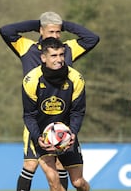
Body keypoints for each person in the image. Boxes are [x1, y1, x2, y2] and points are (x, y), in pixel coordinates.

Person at [0, 11, 99, 191]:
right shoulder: (28, 48)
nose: (55, 35)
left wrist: (63, 24)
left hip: (63, 120)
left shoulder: (67, 49)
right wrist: (38, 23)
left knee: (67, 172)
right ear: (41, 31)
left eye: (58, 32)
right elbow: (6, 31)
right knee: (30, 165)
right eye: (51, 31)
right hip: (38, 118)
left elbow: (92, 38)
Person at [22, 37, 89, 191]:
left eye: (61, 55)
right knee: (54, 180)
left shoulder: (76, 78)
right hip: (42, 136)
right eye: (54, 56)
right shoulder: (31, 80)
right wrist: (38, 137)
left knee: (78, 183)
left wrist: (72, 133)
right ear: (43, 58)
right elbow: (29, 115)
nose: (59, 59)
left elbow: (77, 111)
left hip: (66, 135)